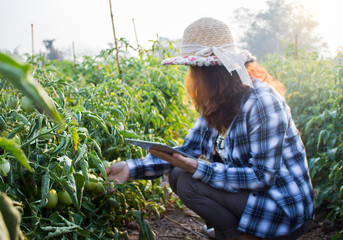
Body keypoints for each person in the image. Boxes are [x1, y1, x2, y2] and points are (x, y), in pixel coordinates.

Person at [105, 17, 314, 240]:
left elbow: (262, 177)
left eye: (195, 70)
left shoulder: (262, 104)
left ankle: (243, 235)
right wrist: (130, 168)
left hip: (281, 207)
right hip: (255, 197)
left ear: (214, 74)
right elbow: (188, 148)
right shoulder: (217, 102)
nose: (192, 78)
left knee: (188, 181)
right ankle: (230, 232)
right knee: (177, 174)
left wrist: (198, 168)